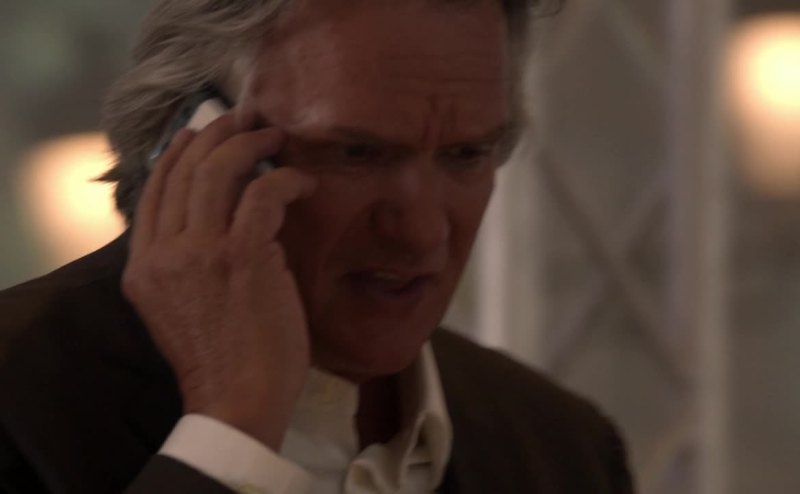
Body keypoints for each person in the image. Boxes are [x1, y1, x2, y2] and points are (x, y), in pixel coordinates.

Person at [0, 0, 634, 493]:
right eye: (355, 154)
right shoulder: (21, 397)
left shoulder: (564, 448)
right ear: (189, 145)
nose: (421, 232)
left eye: (466, 155)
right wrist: (229, 436)